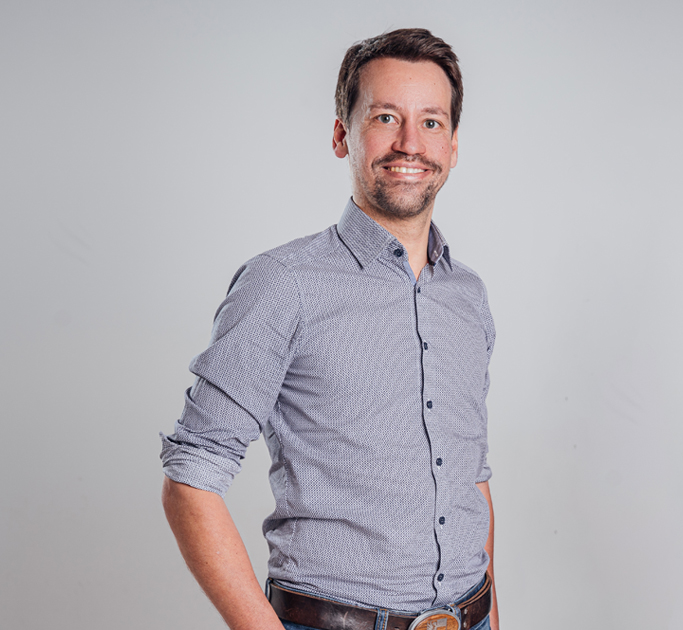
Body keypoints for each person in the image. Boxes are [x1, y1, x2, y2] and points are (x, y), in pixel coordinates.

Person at [160, 28, 499, 630]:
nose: (409, 142)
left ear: (452, 146)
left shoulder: (467, 297)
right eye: (385, 117)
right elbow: (191, 475)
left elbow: (470, 479)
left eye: (431, 122)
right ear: (343, 134)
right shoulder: (282, 283)